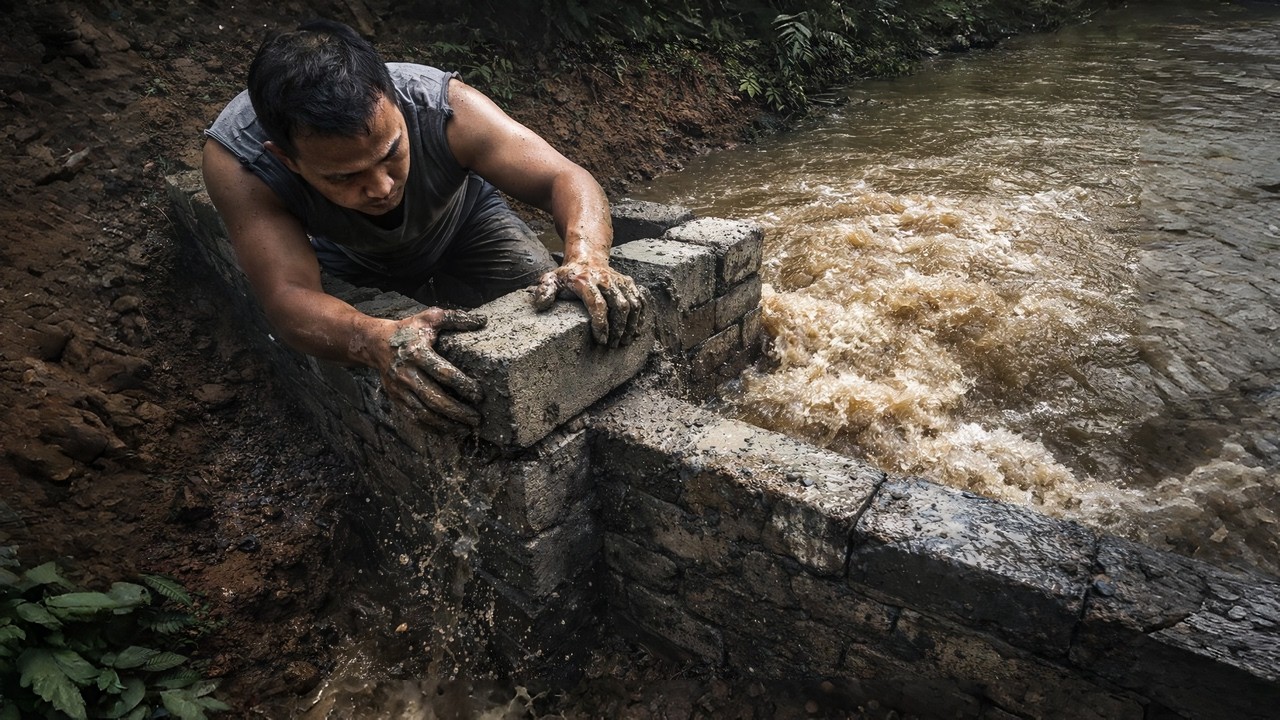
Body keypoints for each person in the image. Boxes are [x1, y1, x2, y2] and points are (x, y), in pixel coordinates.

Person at [202, 19, 644, 431]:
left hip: (466, 222)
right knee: (409, 372)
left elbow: (564, 177)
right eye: (344, 177)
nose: (380, 187)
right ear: (286, 159)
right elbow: (287, 297)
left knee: (557, 307)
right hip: (352, 255)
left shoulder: (445, 106)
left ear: (398, 102)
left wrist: (586, 256)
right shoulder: (243, 164)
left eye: (391, 153)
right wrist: (370, 338)